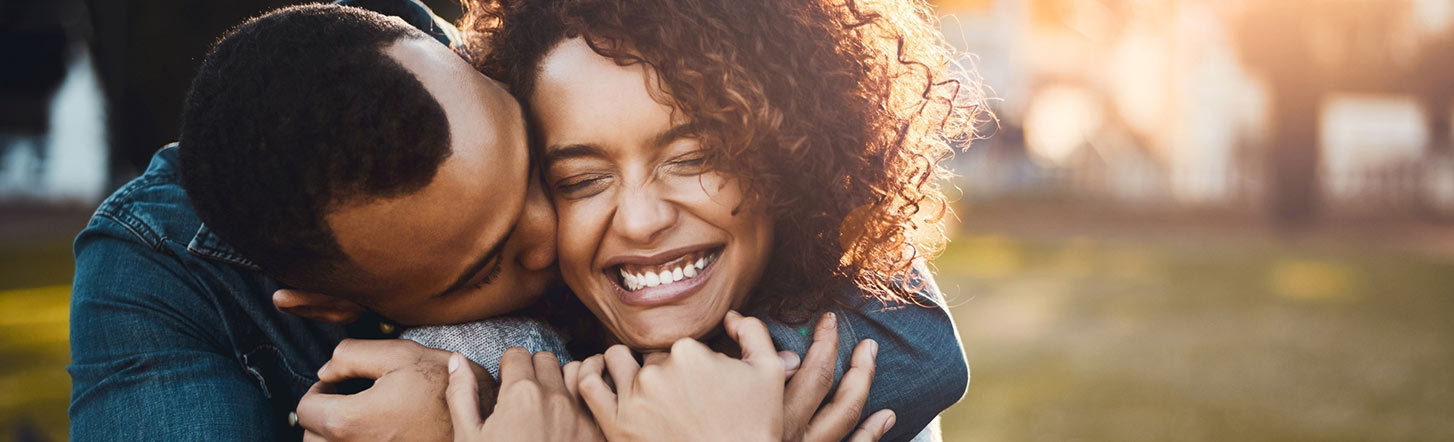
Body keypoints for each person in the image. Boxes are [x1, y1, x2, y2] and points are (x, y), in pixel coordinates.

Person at [69, 2, 968, 441]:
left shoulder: (541, 64)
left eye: (540, 167)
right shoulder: (160, 277)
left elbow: (918, 339)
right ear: (331, 304)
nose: (563, 235)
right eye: (487, 259)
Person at [449, 0, 983, 439]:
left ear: (792, 155)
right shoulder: (473, 358)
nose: (640, 220)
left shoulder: (868, 338)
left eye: (695, 160)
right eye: (580, 181)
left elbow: (932, 355)